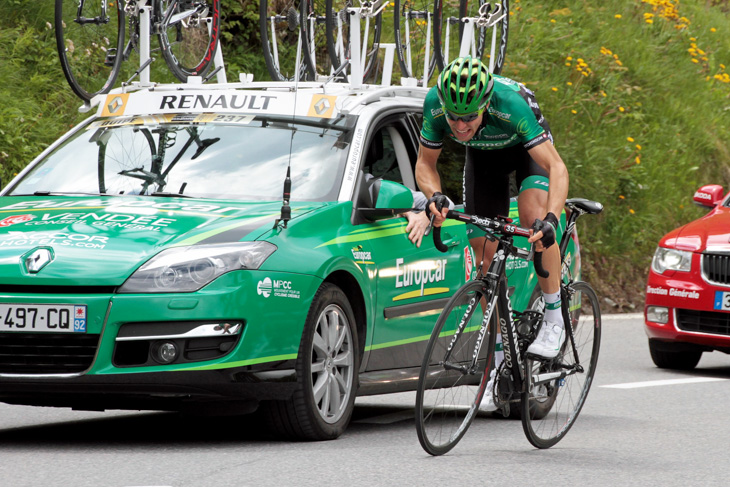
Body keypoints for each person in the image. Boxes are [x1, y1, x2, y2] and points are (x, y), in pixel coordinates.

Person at [415, 56, 569, 412]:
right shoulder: (436, 106)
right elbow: (425, 164)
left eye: (469, 117)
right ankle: (498, 363)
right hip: (484, 160)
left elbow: (556, 166)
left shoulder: (511, 105)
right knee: (482, 250)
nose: (459, 124)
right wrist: (434, 196)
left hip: (524, 152)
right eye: (453, 116)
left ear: (485, 104)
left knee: (532, 219)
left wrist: (552, 220)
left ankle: (553, 317)